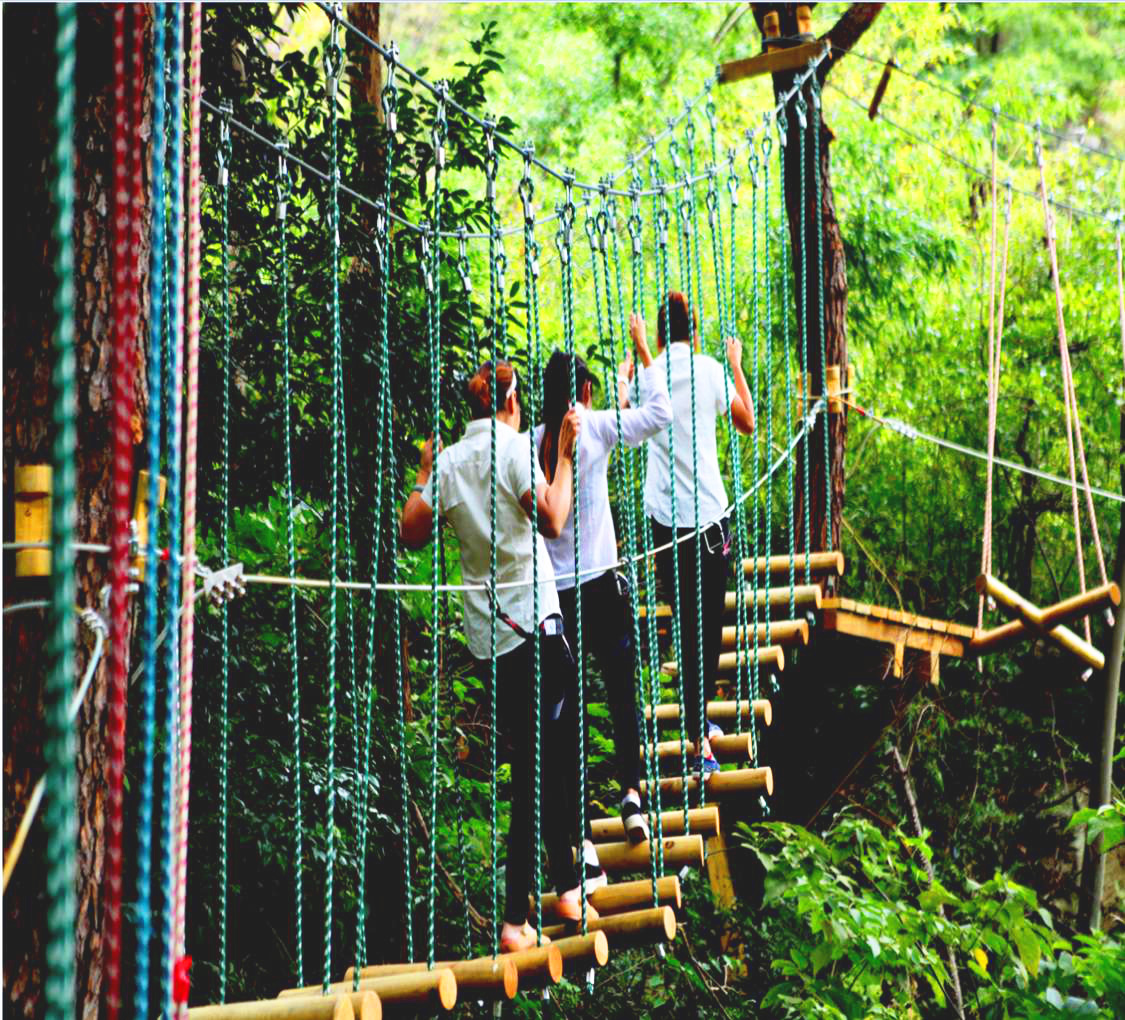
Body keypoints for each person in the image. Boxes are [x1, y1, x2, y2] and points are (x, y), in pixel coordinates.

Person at [400, 360, 594, 953]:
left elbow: (411, 531)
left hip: (490, 642)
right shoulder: (512, 451)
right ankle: (515, 918)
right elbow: (554, 518)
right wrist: (563, 456)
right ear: (510, 403)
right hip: (536, 627)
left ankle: (568, 888)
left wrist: (425, 471)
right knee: (540, 766)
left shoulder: (452, 462)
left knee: (544, 757)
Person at [534, 318, 672, 849]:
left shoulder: (532, 443)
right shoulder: (594, 426)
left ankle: (580, 835)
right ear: (586, 392)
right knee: (621, 693)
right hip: (602, 588)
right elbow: (660, 414)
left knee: (566, 714)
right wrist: (643, 354)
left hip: (555, 599)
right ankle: (632, 796)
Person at [637, 291, 755, 774]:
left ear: (660, 334)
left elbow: (628, 416)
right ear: (694, 331)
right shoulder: (710, 369)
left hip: (665, 521)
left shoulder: (649, 376)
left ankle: (696, 727)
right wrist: (736, 365)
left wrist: (639, 361)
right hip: (708, 516)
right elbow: (747, 422)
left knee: (686, 621)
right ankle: (696, 733)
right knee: (708, 624)